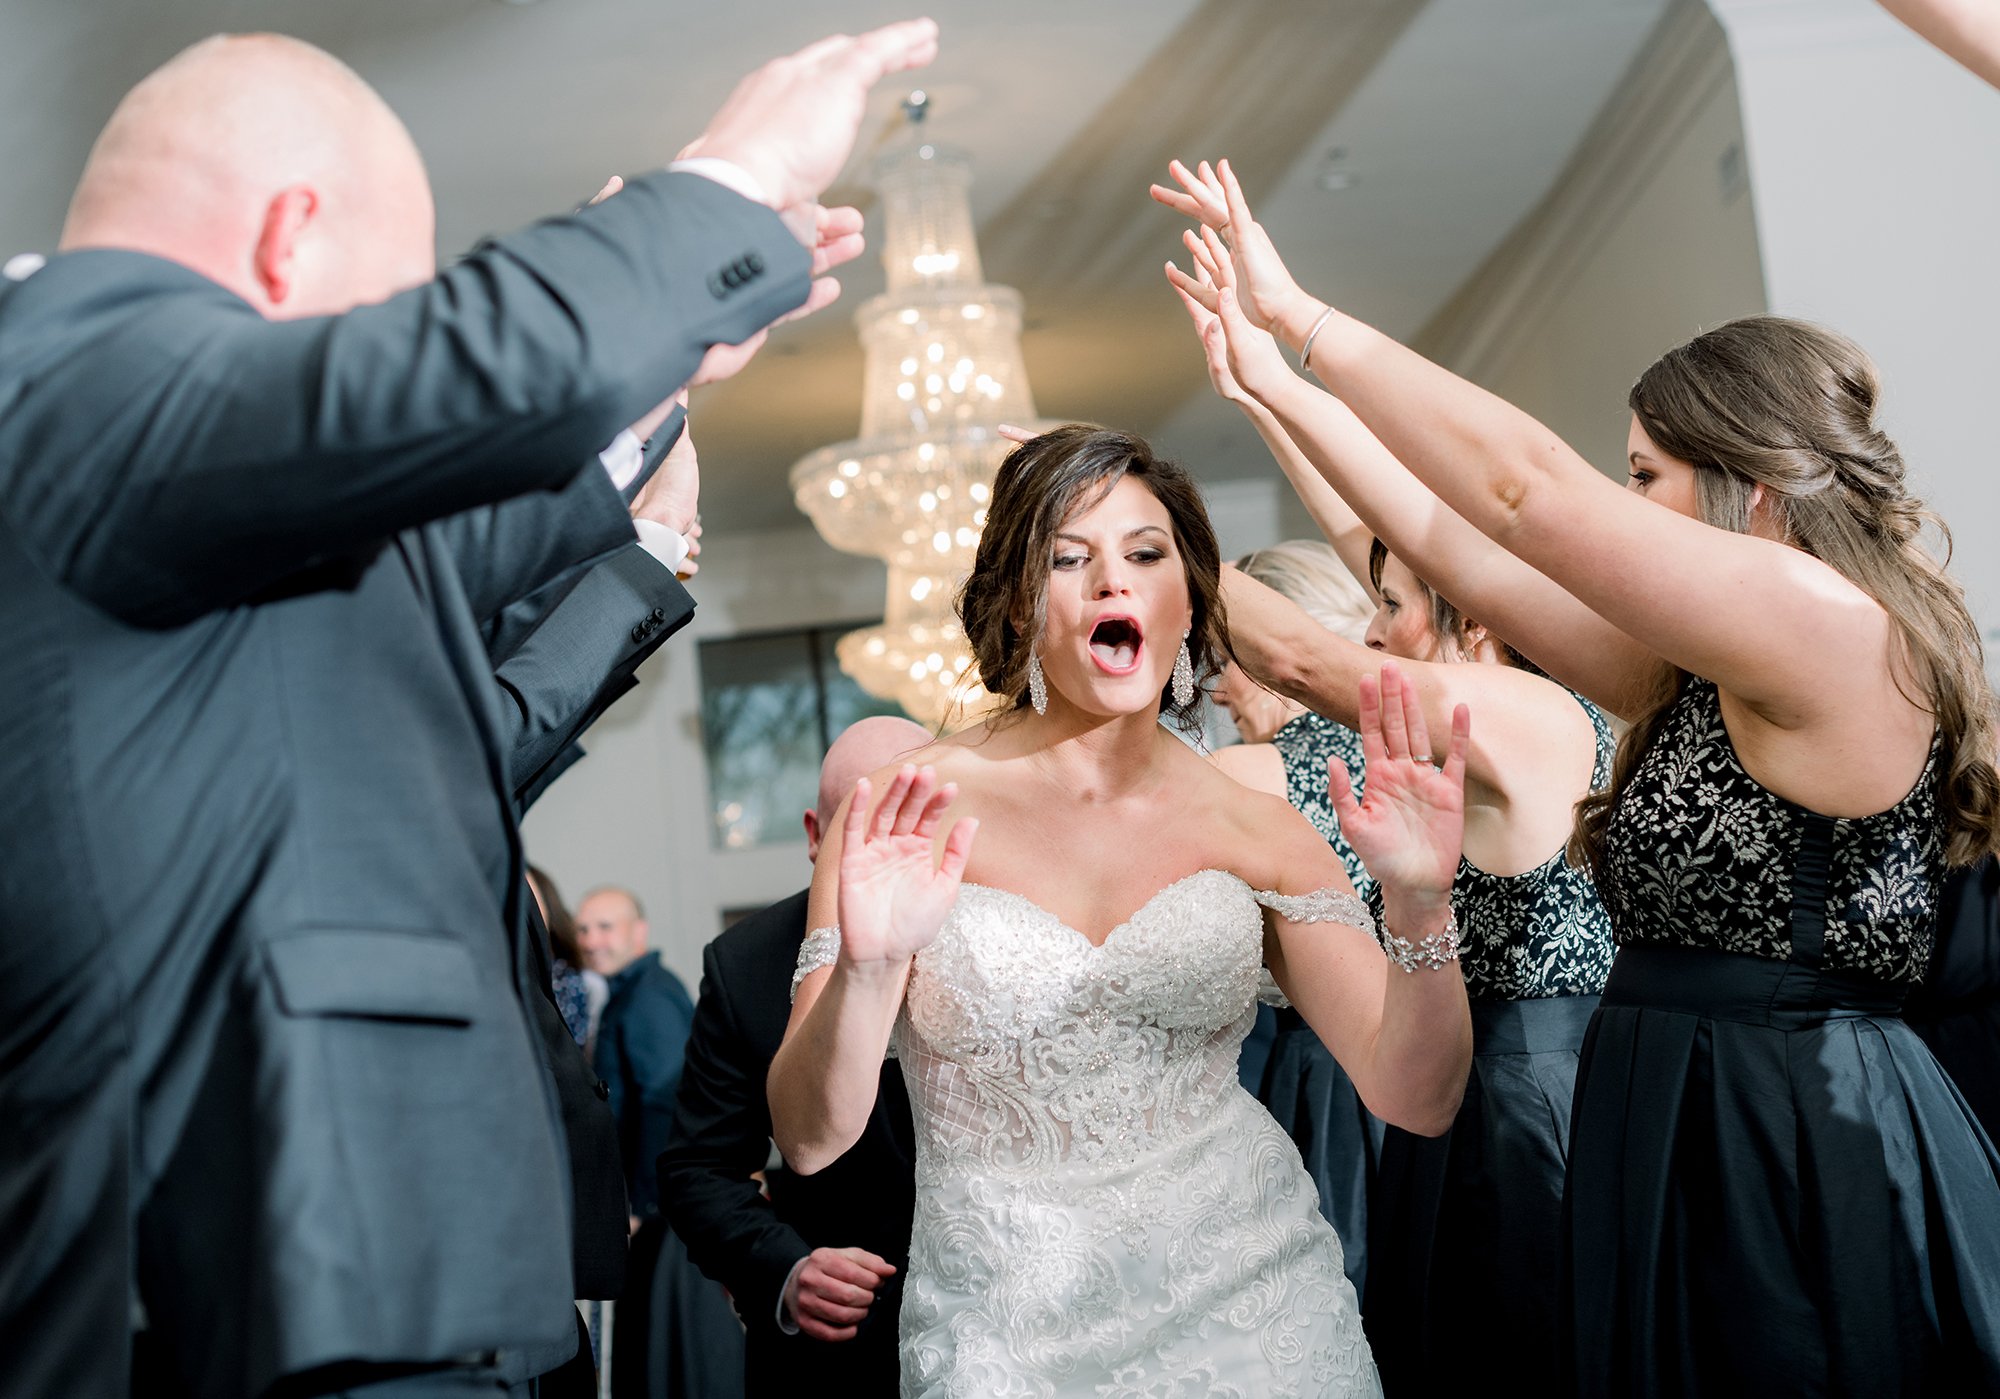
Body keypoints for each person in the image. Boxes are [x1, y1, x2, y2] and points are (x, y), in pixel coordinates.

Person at [0, 21, 939, 1398]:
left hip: (374, 1271)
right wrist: (728, 187)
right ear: (288, 240)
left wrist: (662, 364)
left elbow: (433, 553)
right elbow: (437, 393)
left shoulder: (182, 489)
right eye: (391, 301)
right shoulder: (66, 376)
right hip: (261, 1286)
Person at [1172, 156, 2000, 1395]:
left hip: (1787, 1132)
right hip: (1679, 1113)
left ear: (1750, 489)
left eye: (1643, 476)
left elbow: (1520, 495)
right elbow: (1458, 545)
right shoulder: (1702, 671)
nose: (1623, 505)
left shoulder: (1820, 623)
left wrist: (1308, 323)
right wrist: (1271, 386)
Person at [770, 424, 1477, 1397]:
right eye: (1070, 558)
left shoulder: (1253, 824)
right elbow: (809, 1137)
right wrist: (866, 968)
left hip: (1257, 1318)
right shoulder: (899, 812)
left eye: (1145, 555)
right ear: (1017, 601)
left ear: (1186, 600)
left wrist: (1419, 900)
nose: (1114, 582)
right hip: (1005, 1339)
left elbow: (1418, 1095)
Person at [1166, 220, 1617, 1392]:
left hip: (1541, 1099)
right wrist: (1263, 386)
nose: (1374, 624)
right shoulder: (1497, 681)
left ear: (1466, 617)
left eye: (1395, 609)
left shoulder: (1518, 720)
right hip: (1475, 1077)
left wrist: (1133, 537)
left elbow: (1314, 664)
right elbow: (1381, 541)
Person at [661, 715, 928, 1397]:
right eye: (863, 823)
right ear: (816, 835)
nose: (893, 846)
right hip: (838, 1358)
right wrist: (786, 1267)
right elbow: (699, 1167)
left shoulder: (1008, 930)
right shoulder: (744, 962)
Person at [1208, 540, 1383, 1292]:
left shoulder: (1243, 777)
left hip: (1320, 1084)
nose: (1216, 686)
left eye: (1224, 658)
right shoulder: (1421, 748)